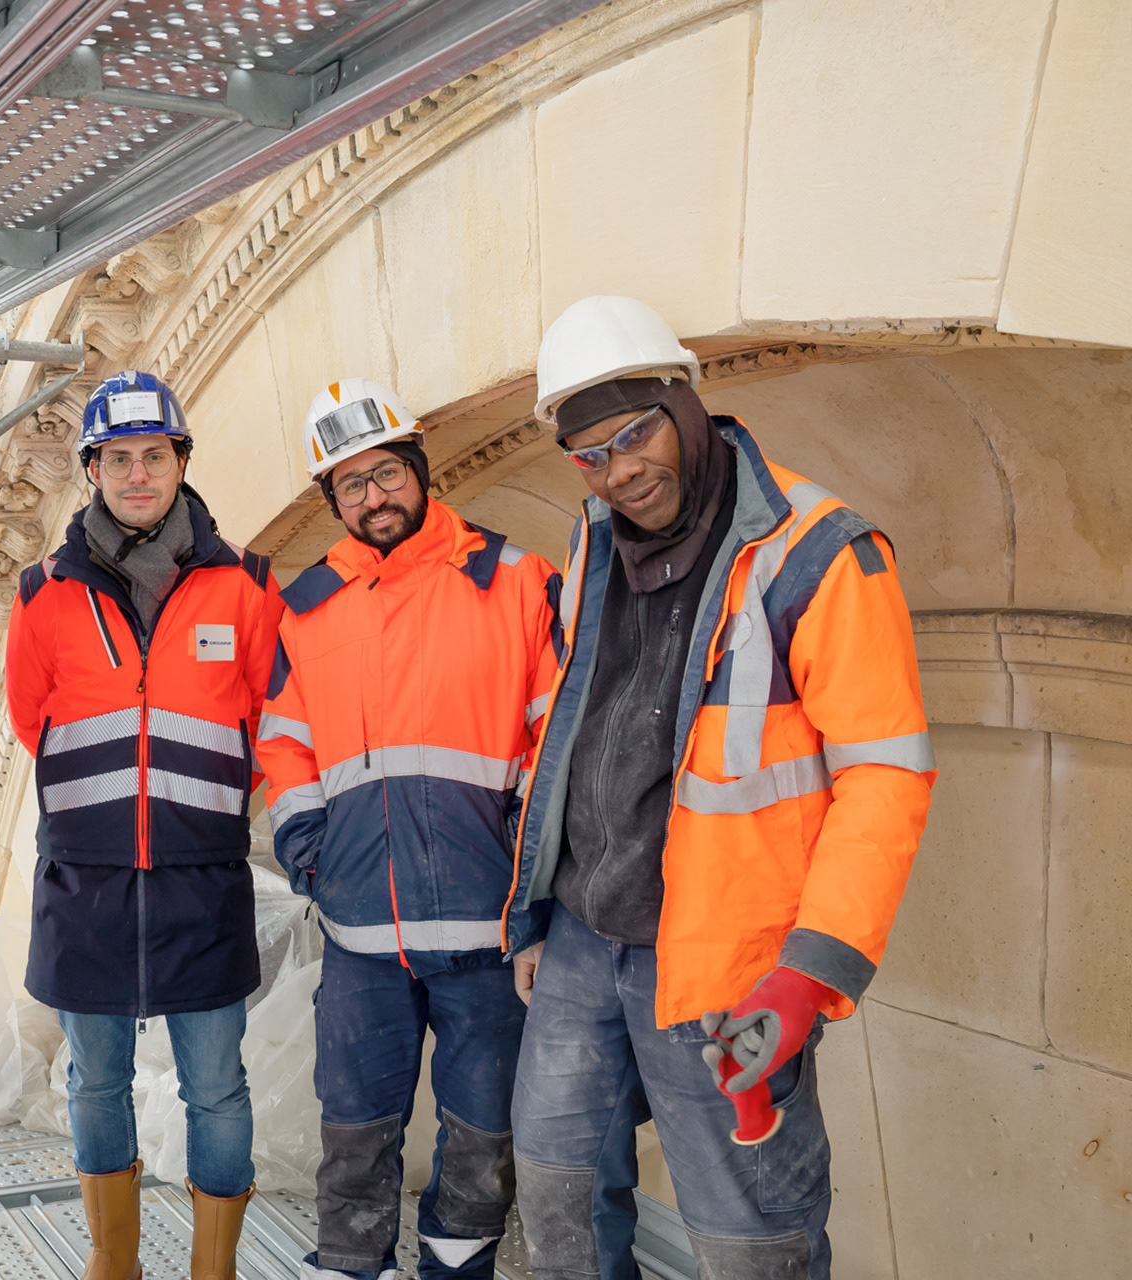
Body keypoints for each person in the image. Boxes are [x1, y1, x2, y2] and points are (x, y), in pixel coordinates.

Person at [503, 296, 935, 1280]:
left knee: (753, 1246)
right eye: (589, 454)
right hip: (580, 943)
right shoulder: (593, 542)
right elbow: (572, 732)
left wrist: (809, 968)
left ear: (686, 399)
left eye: (634, 434)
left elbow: (885, 774)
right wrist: (531, 911)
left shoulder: (820, 551)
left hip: (725, 966)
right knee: (559, 1201)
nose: (618, 470)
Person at [258, 378, 571, 1280]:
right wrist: (309, 852)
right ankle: (351, 1267)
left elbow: (557, 738)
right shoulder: (309, 605)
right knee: (352, 1134)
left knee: (483, 1144)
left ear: (420, 469)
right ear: (332, 500)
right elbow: (284, 743)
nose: (373, 498)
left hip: (490, 932)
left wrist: (530, 872)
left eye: (386, 473)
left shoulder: (514, 579)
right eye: (349, 486)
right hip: (363, 938)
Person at [4, 370, 284, 1280]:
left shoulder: (246, 587)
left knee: (217, 1088)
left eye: (152, 456)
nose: (136, 475)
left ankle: (214, 1269)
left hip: (201, 878)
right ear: (92, 469)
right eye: (116, 458)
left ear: (181, 462)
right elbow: (27, 714)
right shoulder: (42, 590)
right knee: (95, 1082)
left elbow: (265, 719)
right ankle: (112, 1260)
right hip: (85, 879)